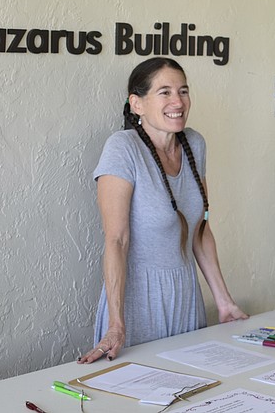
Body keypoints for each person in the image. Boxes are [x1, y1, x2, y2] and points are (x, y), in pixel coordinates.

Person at [79, 57, 247, 364]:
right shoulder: (123, 148)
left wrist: (224, 302)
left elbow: (200, 231)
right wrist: (116, 325)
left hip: (186, 295)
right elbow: (117, 241)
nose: (178, 101)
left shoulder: (195, 144)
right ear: (137, 104)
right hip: (138, 301)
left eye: (183, 91)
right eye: (165, 92)